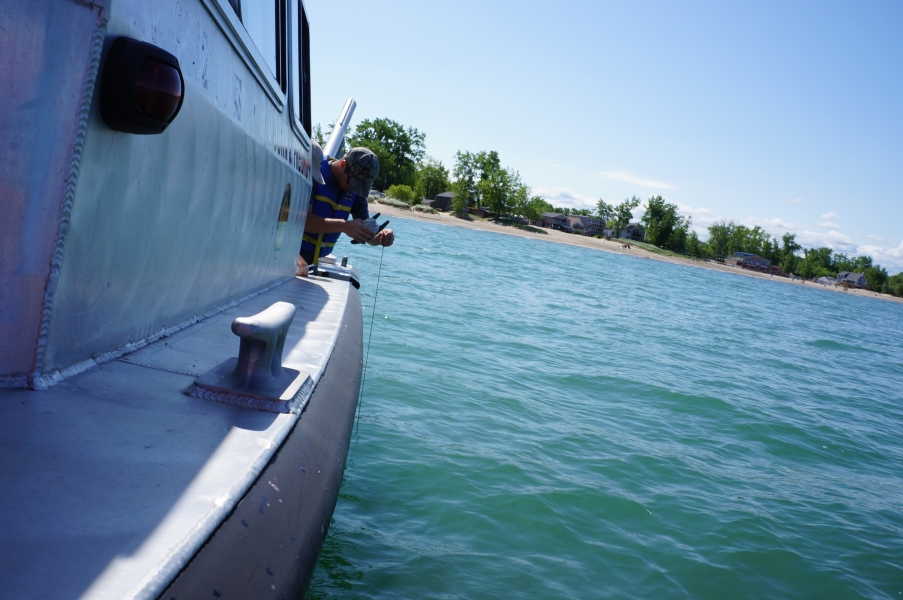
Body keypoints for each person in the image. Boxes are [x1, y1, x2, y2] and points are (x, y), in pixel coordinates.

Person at [297, 144, 394, 275]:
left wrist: (380, 238)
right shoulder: (314, 171)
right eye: (353, 183)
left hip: (311, 263)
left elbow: (366, 234)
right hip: (289, 256)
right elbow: (300, 221)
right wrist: (344, 226)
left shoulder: (356, 192)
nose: (354, 189)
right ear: (343, 165)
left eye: (360, 187)